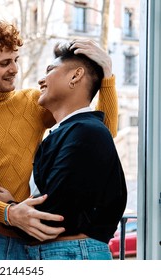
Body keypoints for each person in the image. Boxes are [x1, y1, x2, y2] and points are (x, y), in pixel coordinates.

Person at [0, 19, 119, 260]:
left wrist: (107, 77)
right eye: (4, 63)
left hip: (32, 243)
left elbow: (101, 129)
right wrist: (8, 213)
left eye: (15, 60)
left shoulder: (33, 102)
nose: (14, 69)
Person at [22, 41, 127, 259]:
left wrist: (10, 209)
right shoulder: (75, 131)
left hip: (70, 254)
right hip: (63, 253)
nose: (41, 80)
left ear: (76, 76)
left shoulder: (86, 131)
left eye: (50, 70)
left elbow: (57, 212)